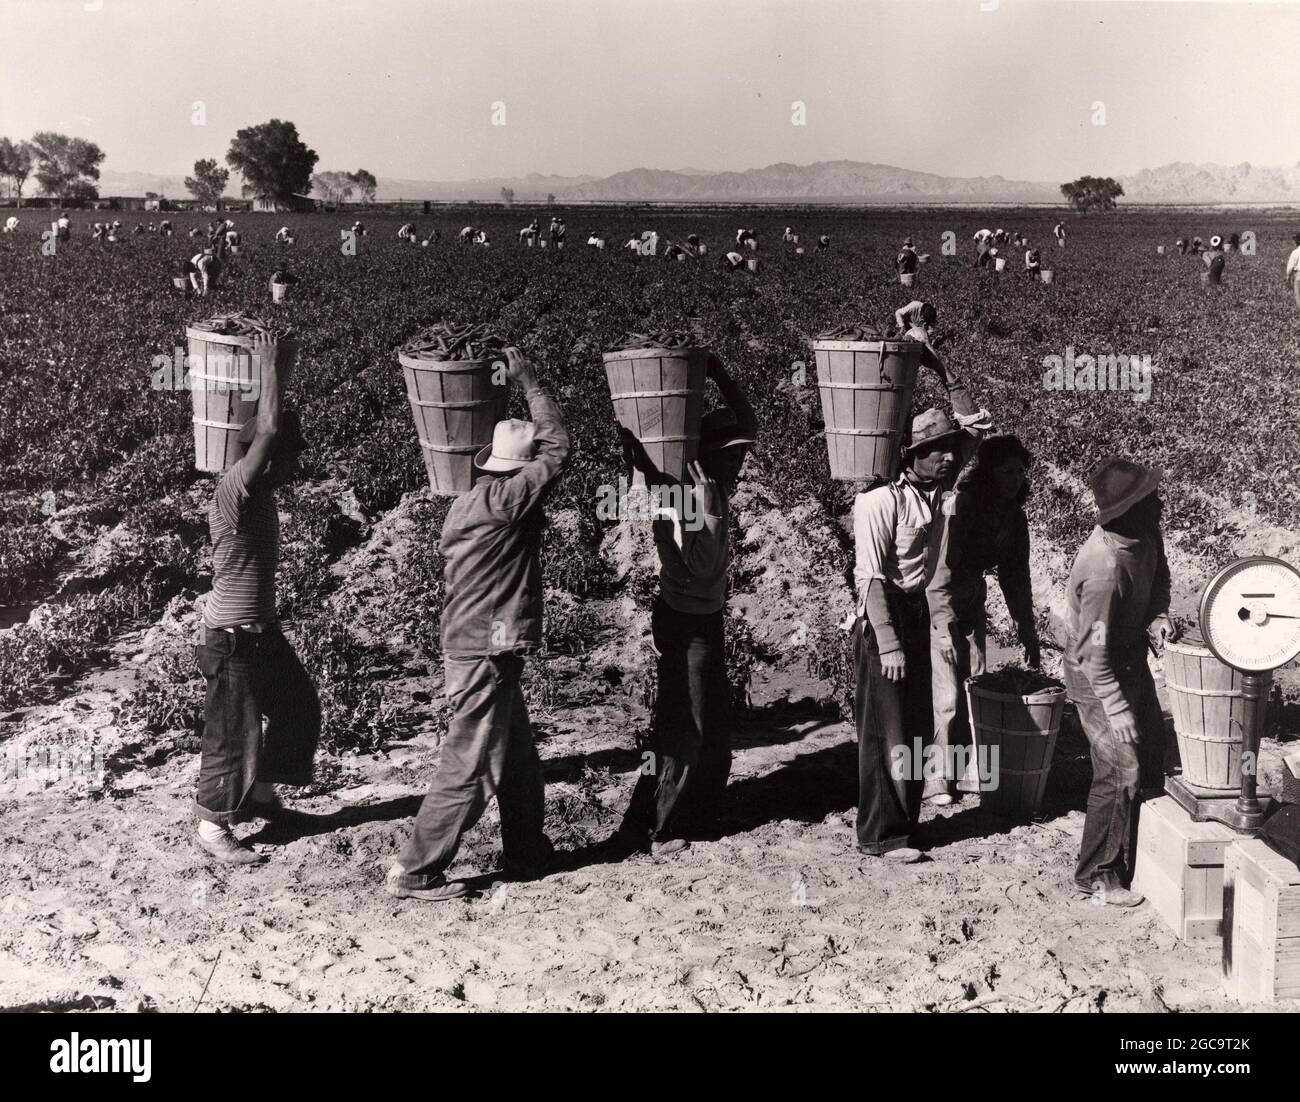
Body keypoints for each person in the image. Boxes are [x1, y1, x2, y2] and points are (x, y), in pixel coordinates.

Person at [388, 349, 570, 901]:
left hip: (479, 644)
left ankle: (525, 848)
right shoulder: (508, 502)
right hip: (484, 650)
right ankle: (416, 870)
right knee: (470, 764)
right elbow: (559, 449)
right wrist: (531, 383)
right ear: (516, 474)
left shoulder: (467, 502)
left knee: (516, 756)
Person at [616, 356, 758, 856]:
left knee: (711, 722)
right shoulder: (696, 497)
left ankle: (699, 810)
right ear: (709, 455)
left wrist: (717, 373)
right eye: (732, 455)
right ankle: (663, 825)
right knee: (687, 724)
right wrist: (699, 518)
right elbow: (693, 568)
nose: (740, 462)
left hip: (701, 619)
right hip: (688, 623)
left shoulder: (704, 486)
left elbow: (749, 422)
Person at [194, 334, 319, 864]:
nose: (293, 466)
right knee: (232, 736)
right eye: (286, 458)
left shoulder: (262, 493)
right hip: (230, 639)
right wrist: (267, 365)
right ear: (260, 458)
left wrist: (281, 373)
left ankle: (266, 796)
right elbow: (267, 429)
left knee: (298, 707)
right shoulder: (235, 489)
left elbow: (273, 427)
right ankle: (212, 828)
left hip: (261, 632)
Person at [852, 409, 979, 861]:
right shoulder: (879, 502)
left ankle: (905, 826)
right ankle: (881, 835)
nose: (948, 456)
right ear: (912, 456)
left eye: (950, 448)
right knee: (888, 730)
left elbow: (976, 432)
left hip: (917, 610)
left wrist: (935, 364)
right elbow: (868, 578)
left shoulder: (934, 490)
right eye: (935, 450)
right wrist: (888, 642)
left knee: (917, 725)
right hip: (884, 615)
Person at [1060, 458, 1172, 907]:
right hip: (1095, 671)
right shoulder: (1103, 568)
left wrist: (1159, 614)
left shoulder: (1147, 535)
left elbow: (1160, 576)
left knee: (1151, 752)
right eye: (1150, 498)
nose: (1160, 503)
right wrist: (1116, 707)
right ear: (1127, 510)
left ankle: (1137, 852)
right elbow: (1092, 653)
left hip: (1127, 657)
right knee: (1119, 766)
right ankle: (1097, 874)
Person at [926, 435, 1040, 802]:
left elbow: (1015, 576)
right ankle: (935, 779)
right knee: (944, 689)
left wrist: (1027, 628)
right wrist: (943, 625)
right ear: (988, 472)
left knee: (975, 682)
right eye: (1007, 471)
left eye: (1021, 471)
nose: (1015, 479)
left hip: (972, 593)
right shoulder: (962, 506)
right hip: (940, 594)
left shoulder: (1012, 516)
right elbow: (940, 570)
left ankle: (969, 770)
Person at [1285, 232, 1300, 311]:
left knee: (1298, 295)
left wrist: (1288, 276)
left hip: (1299, 277)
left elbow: (1290, 267)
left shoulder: (1295, 252)